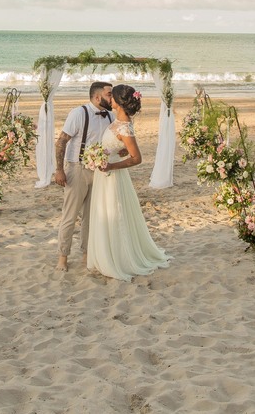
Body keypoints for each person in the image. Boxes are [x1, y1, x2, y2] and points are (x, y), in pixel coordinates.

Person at [85, 84, 170, 282]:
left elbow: (137, 158)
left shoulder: (125, 127)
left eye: (112, 97)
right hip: (104, 174)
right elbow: (121, 148)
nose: (110, 100)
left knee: (114, 214)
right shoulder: (118, 122)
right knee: (103, 213)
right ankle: (105, 255)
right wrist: (111, 153)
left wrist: (111, 166)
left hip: (113, 176)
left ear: (119, 102)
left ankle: (119, 258)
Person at [54, 81, 115, 271]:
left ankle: (86, 255)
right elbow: (61, 142)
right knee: (70, 216)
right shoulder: (78, 113)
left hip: (99, 171)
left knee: (91, 216)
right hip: (77, 169)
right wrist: (59, 169)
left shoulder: (111, 116)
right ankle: (63, 258)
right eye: (109, 94)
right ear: (98, 97)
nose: (112, 98)